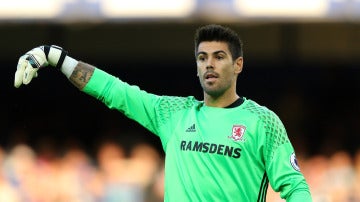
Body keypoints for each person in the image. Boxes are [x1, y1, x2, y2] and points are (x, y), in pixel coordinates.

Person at [14, 24, 312, 201]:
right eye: (202, 57)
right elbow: (115, 92)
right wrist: (56, 57)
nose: (209, 64)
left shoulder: (262, 122)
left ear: (238, 65)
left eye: (219, 57)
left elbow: (295, 187)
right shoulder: (175, 113)